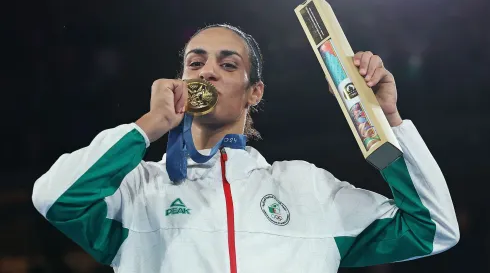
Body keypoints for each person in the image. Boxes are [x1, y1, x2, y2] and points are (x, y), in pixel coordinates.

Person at [31, 23, 459, 273]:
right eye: (195, 63)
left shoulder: (307, 187)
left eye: (227, 64)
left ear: (254, 93)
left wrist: (387, 122)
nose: (208, 72)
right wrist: (148, 126)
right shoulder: (140, 189)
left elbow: (433, 229)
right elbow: (54, 197)